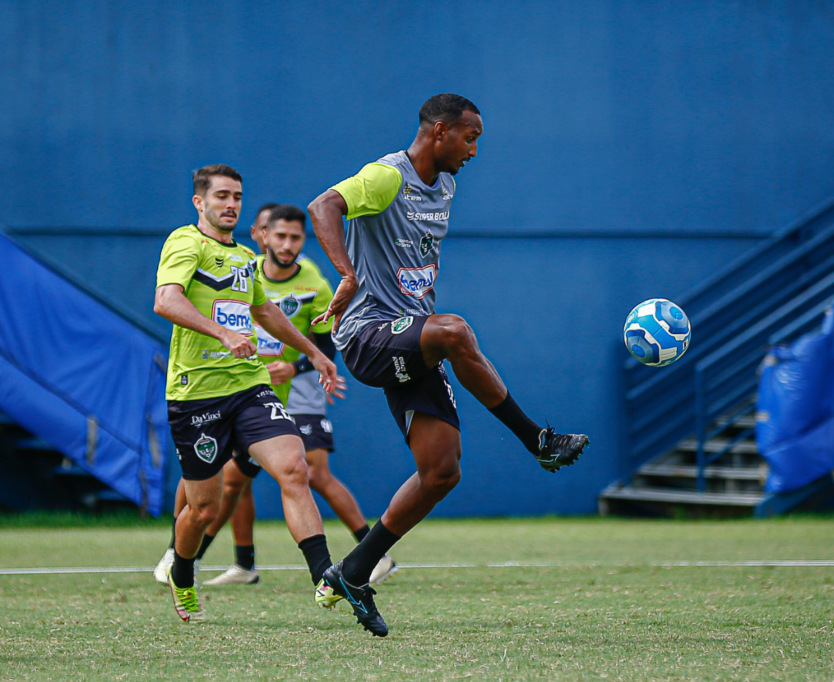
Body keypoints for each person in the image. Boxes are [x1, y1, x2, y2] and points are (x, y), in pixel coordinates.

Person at [307, 94, 589, 637]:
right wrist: (345, 273)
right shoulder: (387, 176)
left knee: (441, 471)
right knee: (455, 331)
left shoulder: (447, 186)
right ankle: (537, 440)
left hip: (411, 339)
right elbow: (324, 207)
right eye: (469, 137)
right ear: (438, 132)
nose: (475, 150)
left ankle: (354, 571)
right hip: (368, 334)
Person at [154, 164, 342, 622]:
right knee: (203, 509)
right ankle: (183, 570)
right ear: (200, 202)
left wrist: (313, 355)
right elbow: (166, 300)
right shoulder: (185, 242)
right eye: (221, 196)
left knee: (294, 467)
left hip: (249, 386)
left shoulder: (242, 256)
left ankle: (326, 579)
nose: (230, 204)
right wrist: (220, 332)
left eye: (236, 196)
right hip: (196, 393)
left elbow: (265, 312)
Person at [200, 204, 397, 586]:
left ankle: (376, 553)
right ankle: (242, 564)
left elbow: (327, 345)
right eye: (280, 235)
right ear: (260, 235)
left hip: (300, 392)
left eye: (295, 237)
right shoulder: (244, 274)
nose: (288, 244)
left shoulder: (314, 282)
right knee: (236, 479)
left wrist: (298, 367)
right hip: (252, 390)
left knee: (315, 473)